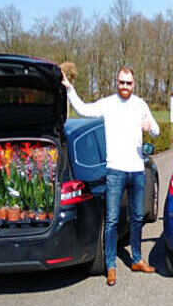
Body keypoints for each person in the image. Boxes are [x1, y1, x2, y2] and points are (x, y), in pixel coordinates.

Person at [62, 66, 159, 286]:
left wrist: (149, 126)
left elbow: (156, 131)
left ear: (134, 84)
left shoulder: (140, 104)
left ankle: (136, 259)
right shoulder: (108, 104)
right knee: (112, 219)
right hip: (115, 170)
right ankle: (111, 266)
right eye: (122, 82)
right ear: (117, 82)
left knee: (136, 218)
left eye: (129, 83)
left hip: (136, 170)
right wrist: (69, 89)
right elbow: (83, 110)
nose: (125, 86)